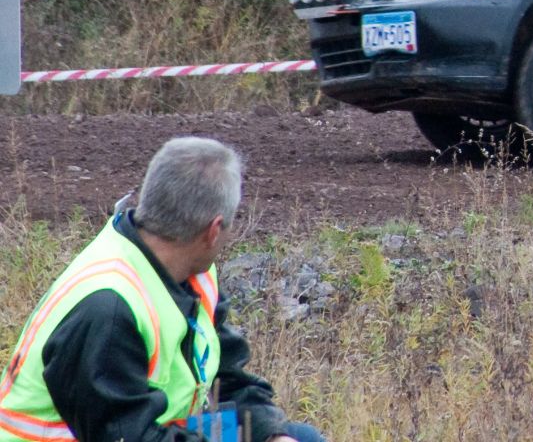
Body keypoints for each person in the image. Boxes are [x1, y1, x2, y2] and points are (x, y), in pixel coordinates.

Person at [0, 137, 325, 442]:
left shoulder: (192, 273)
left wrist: (270, 432)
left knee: (299, 436)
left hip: (153, 427)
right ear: (213, 231)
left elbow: (227, 380)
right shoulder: (109, 308)